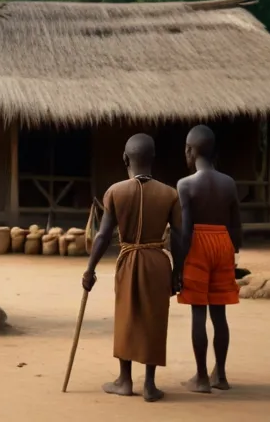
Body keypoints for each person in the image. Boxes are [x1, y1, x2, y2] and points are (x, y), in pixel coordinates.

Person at [82, 133, 182, 403]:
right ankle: (149, 384)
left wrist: (90, 269)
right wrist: (178, 272)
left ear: (126, 158)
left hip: (128, 260)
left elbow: (103, 236)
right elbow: (179, 237)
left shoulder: (115, 192)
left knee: (126, 317)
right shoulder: (170, 194)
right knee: (154, 318)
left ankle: (124, 380)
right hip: (158, 261)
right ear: (153, 159)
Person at [176, 124, 241, 393]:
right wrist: (233, 253)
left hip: (198, 246)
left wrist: (178, 265)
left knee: (198, 313)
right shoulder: (229, 183)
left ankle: (201, 377)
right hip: (223, 243)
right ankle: (221, 376)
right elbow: (237, 225)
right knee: (219, 313)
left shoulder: (185, 184)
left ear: (190, 151)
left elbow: (185, 228)